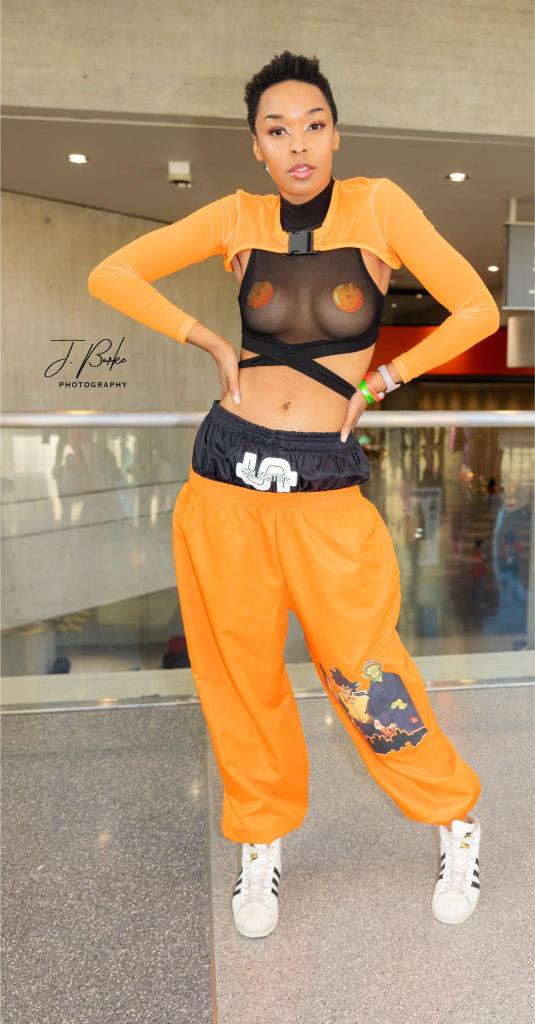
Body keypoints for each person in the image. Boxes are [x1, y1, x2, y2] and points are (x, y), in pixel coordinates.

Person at [88, 50, 500, 938]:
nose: (298, 144)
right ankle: (260, 841)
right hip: (225, 477)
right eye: (277, 130)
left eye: (313, 125)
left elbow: (476, 310)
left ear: (335, 133)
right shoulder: (235, 217)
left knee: (364, 669)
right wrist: (208, 339)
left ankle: (454, 817)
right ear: (257, 146)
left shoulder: (378, 205)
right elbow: (110, 273)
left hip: (323, 484)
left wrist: (380, 381)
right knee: (238, 677)